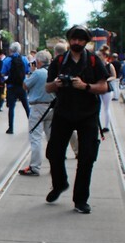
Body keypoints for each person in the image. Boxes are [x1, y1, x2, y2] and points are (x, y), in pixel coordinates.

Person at [44, 25, 109, 214]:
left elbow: (104, 86)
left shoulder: (95, 61)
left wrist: (85, 86)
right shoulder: (59, 61)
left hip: (87, 114)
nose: (77, 42)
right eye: (74, 39)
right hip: (63, 112)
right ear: (69, 40)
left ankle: (81, 199)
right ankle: (60, 183)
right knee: (54, 152)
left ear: (86, 41)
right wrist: (55, 84)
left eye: (81, 40)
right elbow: (47, 88)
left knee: (87, 157)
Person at [19, 50, 54, 177]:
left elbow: (25, 86)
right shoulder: (53, 72)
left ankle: (35, 166)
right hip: (51, 106)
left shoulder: (38, 73)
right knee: (52, 138)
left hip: (38, 107)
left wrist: (30, 72)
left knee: (36, 137)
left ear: (38, 61)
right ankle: (55, 165)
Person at [1, 42, 30, 134]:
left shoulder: (7, 60)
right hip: (22, 85)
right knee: (26, 106)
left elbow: (3, 73)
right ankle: (32, 125)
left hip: (11, 86)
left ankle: (11, 128)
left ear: (10, 50)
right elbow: (27, 71)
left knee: (11, 108)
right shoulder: (24, 59)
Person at [98, 48, 116, 133]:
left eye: (100, 55)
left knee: (106, 108)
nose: (98, 57)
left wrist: (107, 80)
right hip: (98, 88)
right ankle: (99, 124)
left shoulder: (109, 65)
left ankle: (106, 126)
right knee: (98, 107)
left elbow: (114, 76)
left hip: (107, 89)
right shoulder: (96, 65)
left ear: (104, 56)